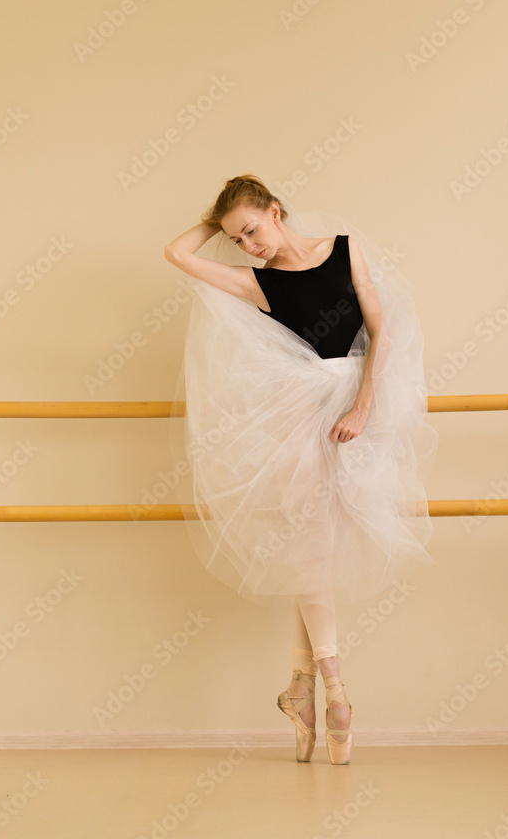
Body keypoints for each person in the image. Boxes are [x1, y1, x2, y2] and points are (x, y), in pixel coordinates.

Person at [163, 175, 438, 764]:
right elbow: (176, 254)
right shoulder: (256, 285)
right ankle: (335, 688)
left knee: (311, 548)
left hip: (354, 407)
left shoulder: (343, 248)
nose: (249, 245)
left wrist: (364, 405)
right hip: (294, 418)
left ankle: (303, 690)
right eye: (237, 239)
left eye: (254, 229)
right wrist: (221, 218)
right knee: (309, 545)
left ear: (276, 209)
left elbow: (381, 327)